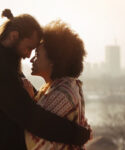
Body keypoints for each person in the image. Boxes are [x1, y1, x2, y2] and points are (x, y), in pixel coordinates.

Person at [0, 9, 90, 150]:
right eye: (29, 48)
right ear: (14, 36)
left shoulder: (4, 65)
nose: (28, 55)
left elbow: (33, 105)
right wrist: (78, 135)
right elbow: (31, 117)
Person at [24, 20, 92, 150]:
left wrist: (28, 101)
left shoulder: (63, 93)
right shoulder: (54, 87)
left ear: (53, 61)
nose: (31, 59)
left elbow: (33, 134)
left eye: (37, 54)